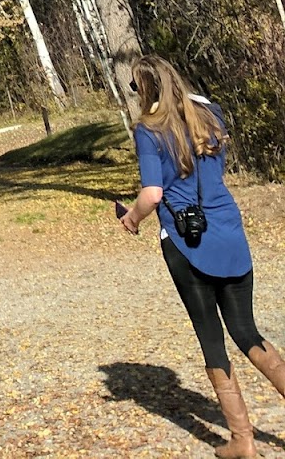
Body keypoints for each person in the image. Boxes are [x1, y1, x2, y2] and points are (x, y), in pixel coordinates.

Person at [120, 54, 285, 457]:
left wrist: (133, 218)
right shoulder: (213, 114)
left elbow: (153, 194)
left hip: (186, 241)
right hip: (229, 230)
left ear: (144, 89)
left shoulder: (149, 130)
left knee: (212, 338)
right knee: (247, 330)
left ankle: (242, 441)